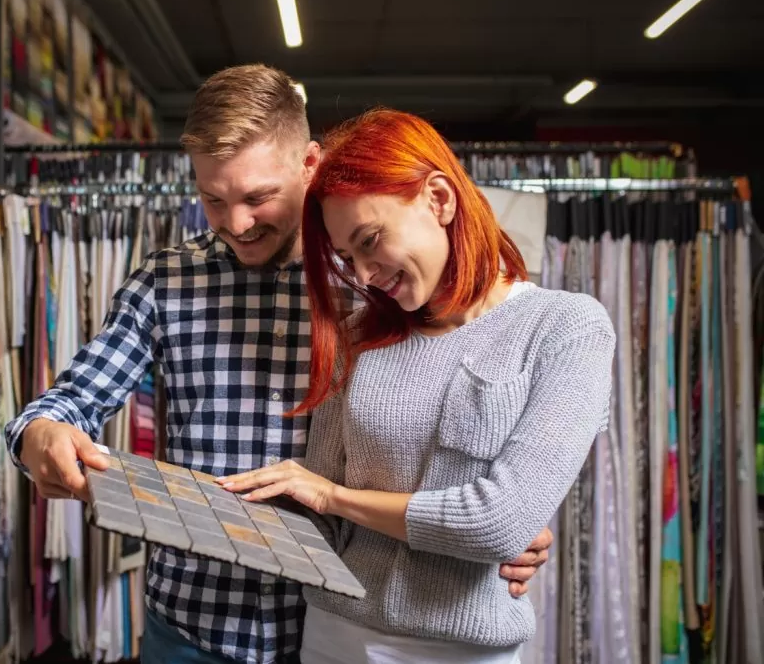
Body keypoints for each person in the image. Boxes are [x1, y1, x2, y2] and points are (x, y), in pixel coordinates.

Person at [4, 66, 552, 664]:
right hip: (191, 626)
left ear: (310, 165)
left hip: (335, 634)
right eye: (213, 199)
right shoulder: (164, 283)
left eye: (258, 197)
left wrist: (502, 528)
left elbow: (441, 440)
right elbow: (70, 400)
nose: (236, 223)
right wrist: (40, 433)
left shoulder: (376, 281)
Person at [217, 108, 616, 664]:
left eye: (370, 239)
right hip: (334, 636)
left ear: (439, 199)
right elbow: (320, 520)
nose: (362, 276)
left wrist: (338, 497)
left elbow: (497, 523)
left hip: (462, 651)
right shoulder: (358, 335)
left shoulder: (566, 329)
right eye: (348, 257)